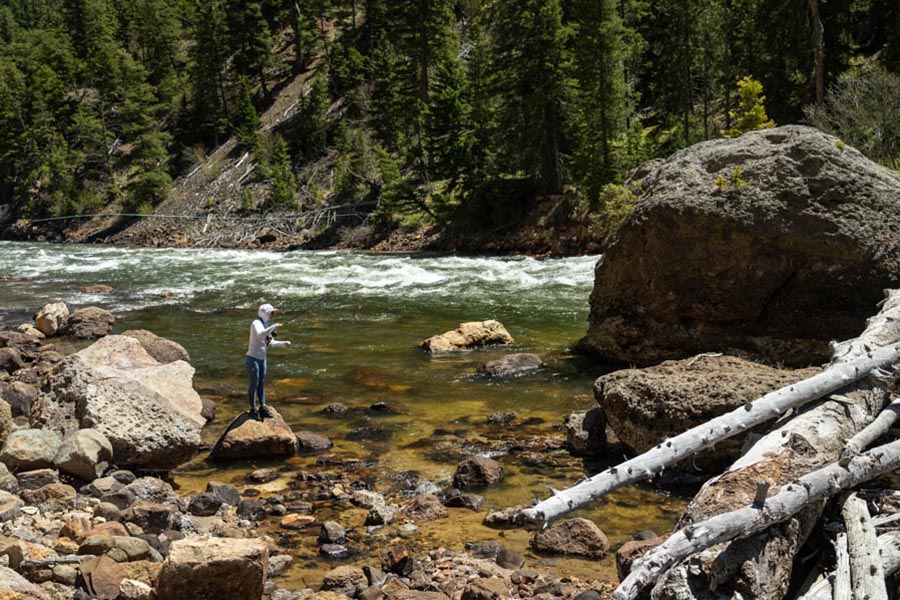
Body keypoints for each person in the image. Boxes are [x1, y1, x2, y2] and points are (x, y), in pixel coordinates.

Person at [246, 303, 291, 420]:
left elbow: (269, 343)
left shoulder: (266, 325)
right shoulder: (256, 323)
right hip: (252, 359)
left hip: (262, 359)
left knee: (261, 382)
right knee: (254, 383)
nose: (273, 316)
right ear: (265, 313)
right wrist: (274, 326)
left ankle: (262, 406)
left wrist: (283, 343)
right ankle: (252, 408)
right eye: (272, 313)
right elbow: (261, 335)